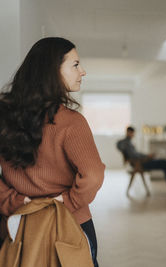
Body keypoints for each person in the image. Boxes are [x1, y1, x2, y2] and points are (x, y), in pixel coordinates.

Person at [0, 37, 105, 266]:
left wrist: (12, 200)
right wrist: (67, 201)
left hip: (17, 221)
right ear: (51, 70)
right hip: (71, 222)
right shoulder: (71, 122)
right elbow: (94, 174)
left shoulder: (4, 116)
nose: (83, 71)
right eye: (75, 64)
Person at [117, 126, 166, 192]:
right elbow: (134, 156)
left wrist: (148, 155)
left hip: (143, 161)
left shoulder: (128, 142)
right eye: (132, 133)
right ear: (128, 132)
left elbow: (136, 154)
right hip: (141, 163)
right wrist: (147, 156)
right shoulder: (126, 143)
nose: (133, 135)